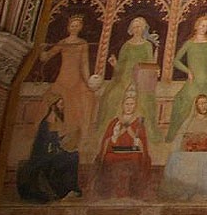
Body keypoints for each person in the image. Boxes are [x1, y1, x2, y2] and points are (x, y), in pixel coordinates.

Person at [167, 14, 207, 142]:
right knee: (182, 101)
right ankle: (175, 135)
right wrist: (188, 71)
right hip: (194, 81)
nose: (203, 28)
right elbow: (176, 61)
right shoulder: (189, 43)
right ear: (196, 26)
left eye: (206, 26)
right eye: (202, 25)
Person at [98, 16, 159, 141]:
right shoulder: (126, 45)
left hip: (141, 78)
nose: (137, 29)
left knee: (145, 102)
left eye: (139, 27)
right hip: (124, 77)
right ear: (131, 29)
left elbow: (149, 63)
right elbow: (121, 65)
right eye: (135, 27)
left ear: (143, 29)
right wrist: (115, 64)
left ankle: (141, 133)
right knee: (112, 97)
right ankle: (113, 131)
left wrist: (154, 70)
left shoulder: (147, 45)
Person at [39, 14, 95, 144]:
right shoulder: (63, 43)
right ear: (68, 27)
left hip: (77, 78)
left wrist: (88, 82)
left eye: (77, 26)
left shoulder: (83, 43)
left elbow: (84, 64)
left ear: (80, 28)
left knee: (84, 100)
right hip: (63, 77)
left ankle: (77, 135)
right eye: (72, 25)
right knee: (56, 102)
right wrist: (42, 50)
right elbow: (46, 57)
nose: (74, 28)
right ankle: (55, 132)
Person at [16, 93, 81, 202]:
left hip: (51, 153)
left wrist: (69, 138)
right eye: (61, 105)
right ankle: (65, 191)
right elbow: (48, 145)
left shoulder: (54, 119)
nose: (63, 107)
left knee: (73, 155)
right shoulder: (48, 121)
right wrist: (63, 145)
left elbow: (55, 140)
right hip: (44, 156)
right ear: (53, 106)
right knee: (71, 157)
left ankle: (70, 188)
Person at [161, 93, 207, 200]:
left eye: (205, 103)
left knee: (203, 159)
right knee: (174, 157)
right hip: (189, 152)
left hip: (206, 153)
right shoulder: (189, 121)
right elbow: (180, 137)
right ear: (196, 106)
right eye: (201, 104)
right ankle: (184, 190)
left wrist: (206, 139)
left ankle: (201, 191)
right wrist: (187, 140)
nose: (204, 106)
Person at [93, 94, 151, 198]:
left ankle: (132, 192)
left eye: (131, 104)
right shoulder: (115, 121)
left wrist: (133, 135)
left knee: (136, 158)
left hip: (132, 152)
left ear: (135, 106)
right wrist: (116, 135)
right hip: (116, 152)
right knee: (108, 158)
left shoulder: (138, 122)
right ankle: (109, 192)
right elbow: (107, 141)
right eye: (127, 104)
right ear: (122, 105)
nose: (129, 107)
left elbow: (142, 144)